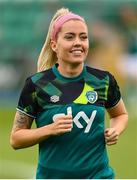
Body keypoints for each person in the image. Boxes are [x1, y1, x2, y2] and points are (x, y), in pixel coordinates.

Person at [10, 8, 128, 179]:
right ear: (54, 45)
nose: (78, 42)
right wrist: (49, 129)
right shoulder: (37, 85)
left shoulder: (103, 80)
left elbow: (121, 114)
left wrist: (115, 129)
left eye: (83, 37)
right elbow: (16, 139)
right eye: (69, 37)